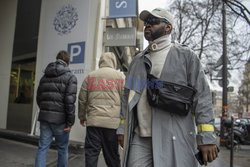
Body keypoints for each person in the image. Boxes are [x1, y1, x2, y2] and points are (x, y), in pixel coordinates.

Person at [117, 8, 218, 167]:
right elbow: (128, 97)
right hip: (140, 138)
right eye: (146, 23)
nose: (147, 26)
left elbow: (202, 96)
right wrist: (122, 129)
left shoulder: (186, 57)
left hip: (174, 137)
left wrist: (206, 137)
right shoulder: (137, 62)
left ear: (168, 27)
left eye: (153, 22)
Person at [78, 52, 125, 167]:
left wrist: (82, 116)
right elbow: (126, 102)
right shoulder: (120, 77)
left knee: (91, 155)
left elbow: (82, 99)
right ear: (114, 62)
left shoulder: (90, 76)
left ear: (101, 61)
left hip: (93, 123)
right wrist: (123, 125)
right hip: (112, 125)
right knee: (112, 156)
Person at [35, 50, 77, 167]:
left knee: (42, 148)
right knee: (62, 149)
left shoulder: (45, 76)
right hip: (61, 121)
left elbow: (39, 98)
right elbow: (70, 102)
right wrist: (70, 122)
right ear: (68, 61)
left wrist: (45, 110)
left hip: (45, 118)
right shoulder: (70, 77)